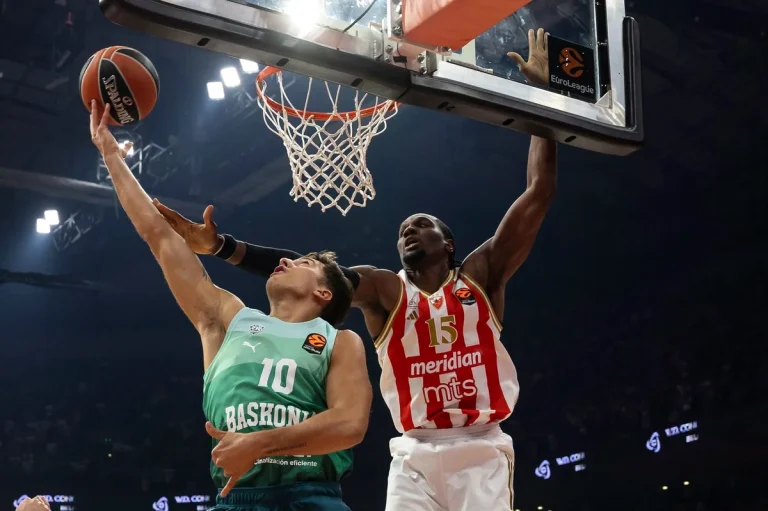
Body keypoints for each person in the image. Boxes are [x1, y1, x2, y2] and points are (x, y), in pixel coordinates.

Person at [156, 30, 555, 511]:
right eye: (403, 226)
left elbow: (537, 195)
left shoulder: (481, 276)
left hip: (480, 444)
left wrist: (540, 104)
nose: (408, 229)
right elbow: (314, 274)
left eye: (421, 224)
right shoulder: (387, 291)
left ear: (447, 243)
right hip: (414, 452)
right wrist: (221, 246)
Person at [89, 101, 372, 511]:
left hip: (310, 496)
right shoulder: (227, 319)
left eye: (305, 263)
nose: (287, 260)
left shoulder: (339, 341)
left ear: (324, 293)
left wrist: (260, 444)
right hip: (236, 498)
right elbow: (160, 236)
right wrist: (111, 155)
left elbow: (349, 424)